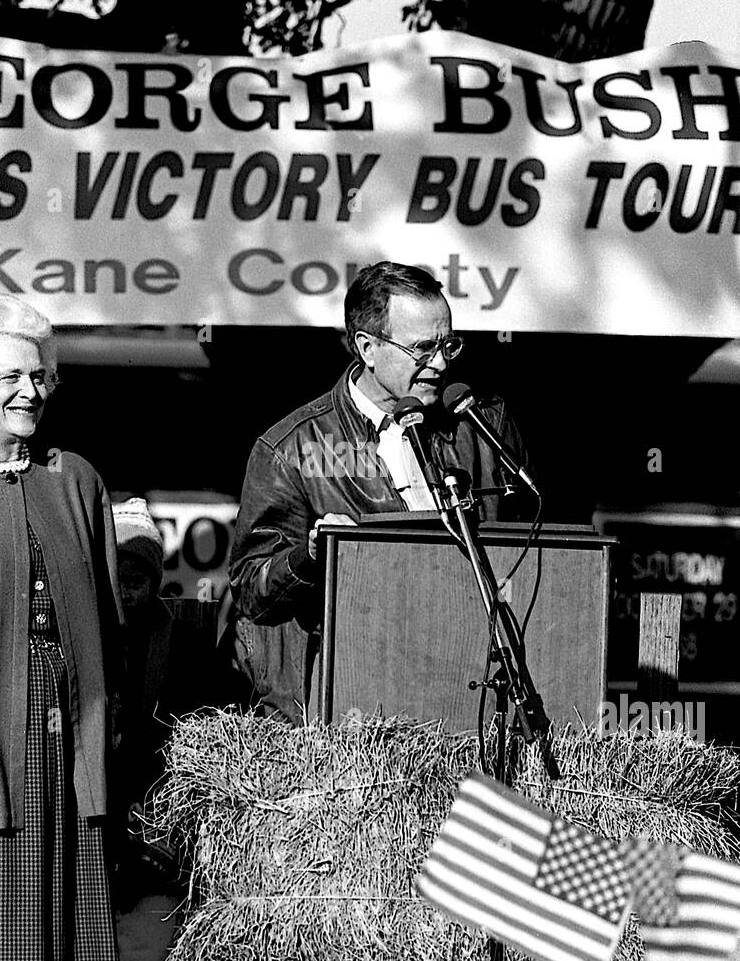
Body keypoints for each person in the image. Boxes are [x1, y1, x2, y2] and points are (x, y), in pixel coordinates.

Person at [229, 260, 534, 720]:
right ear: (367, 348)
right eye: (422, 349)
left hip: (476, 687)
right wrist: (310, 557)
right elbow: (253, 590)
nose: (441, 363)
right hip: (359, 699)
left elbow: (535, 547)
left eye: (448, 345)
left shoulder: (481, 423)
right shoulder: (292, 447)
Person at [0, 295, 123, 961]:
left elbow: (110, 624)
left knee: (46, 948)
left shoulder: (74, 479)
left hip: (61, 738)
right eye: (11, 377)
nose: (31, 391)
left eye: (41, 376)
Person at [86, 498, 220, 961]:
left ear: (157, 580)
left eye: (140, 580)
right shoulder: (80, 637)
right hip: (86, 846)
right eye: (119, 580)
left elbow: (209, 738)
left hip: (155, 850)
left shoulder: (186, 643)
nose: (130, 594)